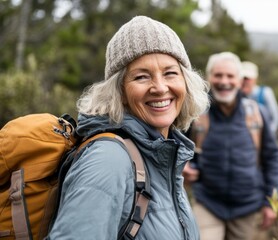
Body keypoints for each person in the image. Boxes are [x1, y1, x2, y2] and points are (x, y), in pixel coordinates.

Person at [47, 16, 210, 239]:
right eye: (142, 77)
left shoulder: (162, 153)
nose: (160, 88)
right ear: (119, 91)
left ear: (186, 82)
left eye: (170, 72)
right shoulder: (109, 159)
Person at [182, 52, 278, 240]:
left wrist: (272, 201)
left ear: (239, 80)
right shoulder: (197, 113)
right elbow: (177, 147)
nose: (224, 81)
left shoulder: (256, 113)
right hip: (207, 202)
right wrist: (183, 165)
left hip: (248, 206)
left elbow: (273, 157)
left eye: (230, 76)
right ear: (209, 78)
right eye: (218, 75)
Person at [241, 61, 278, 133]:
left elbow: (276, 118)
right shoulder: (237, 96)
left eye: (247, 78)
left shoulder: (265, 92)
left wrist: (268, 136)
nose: (244, 81)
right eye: (242, 78)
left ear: (255, 79)